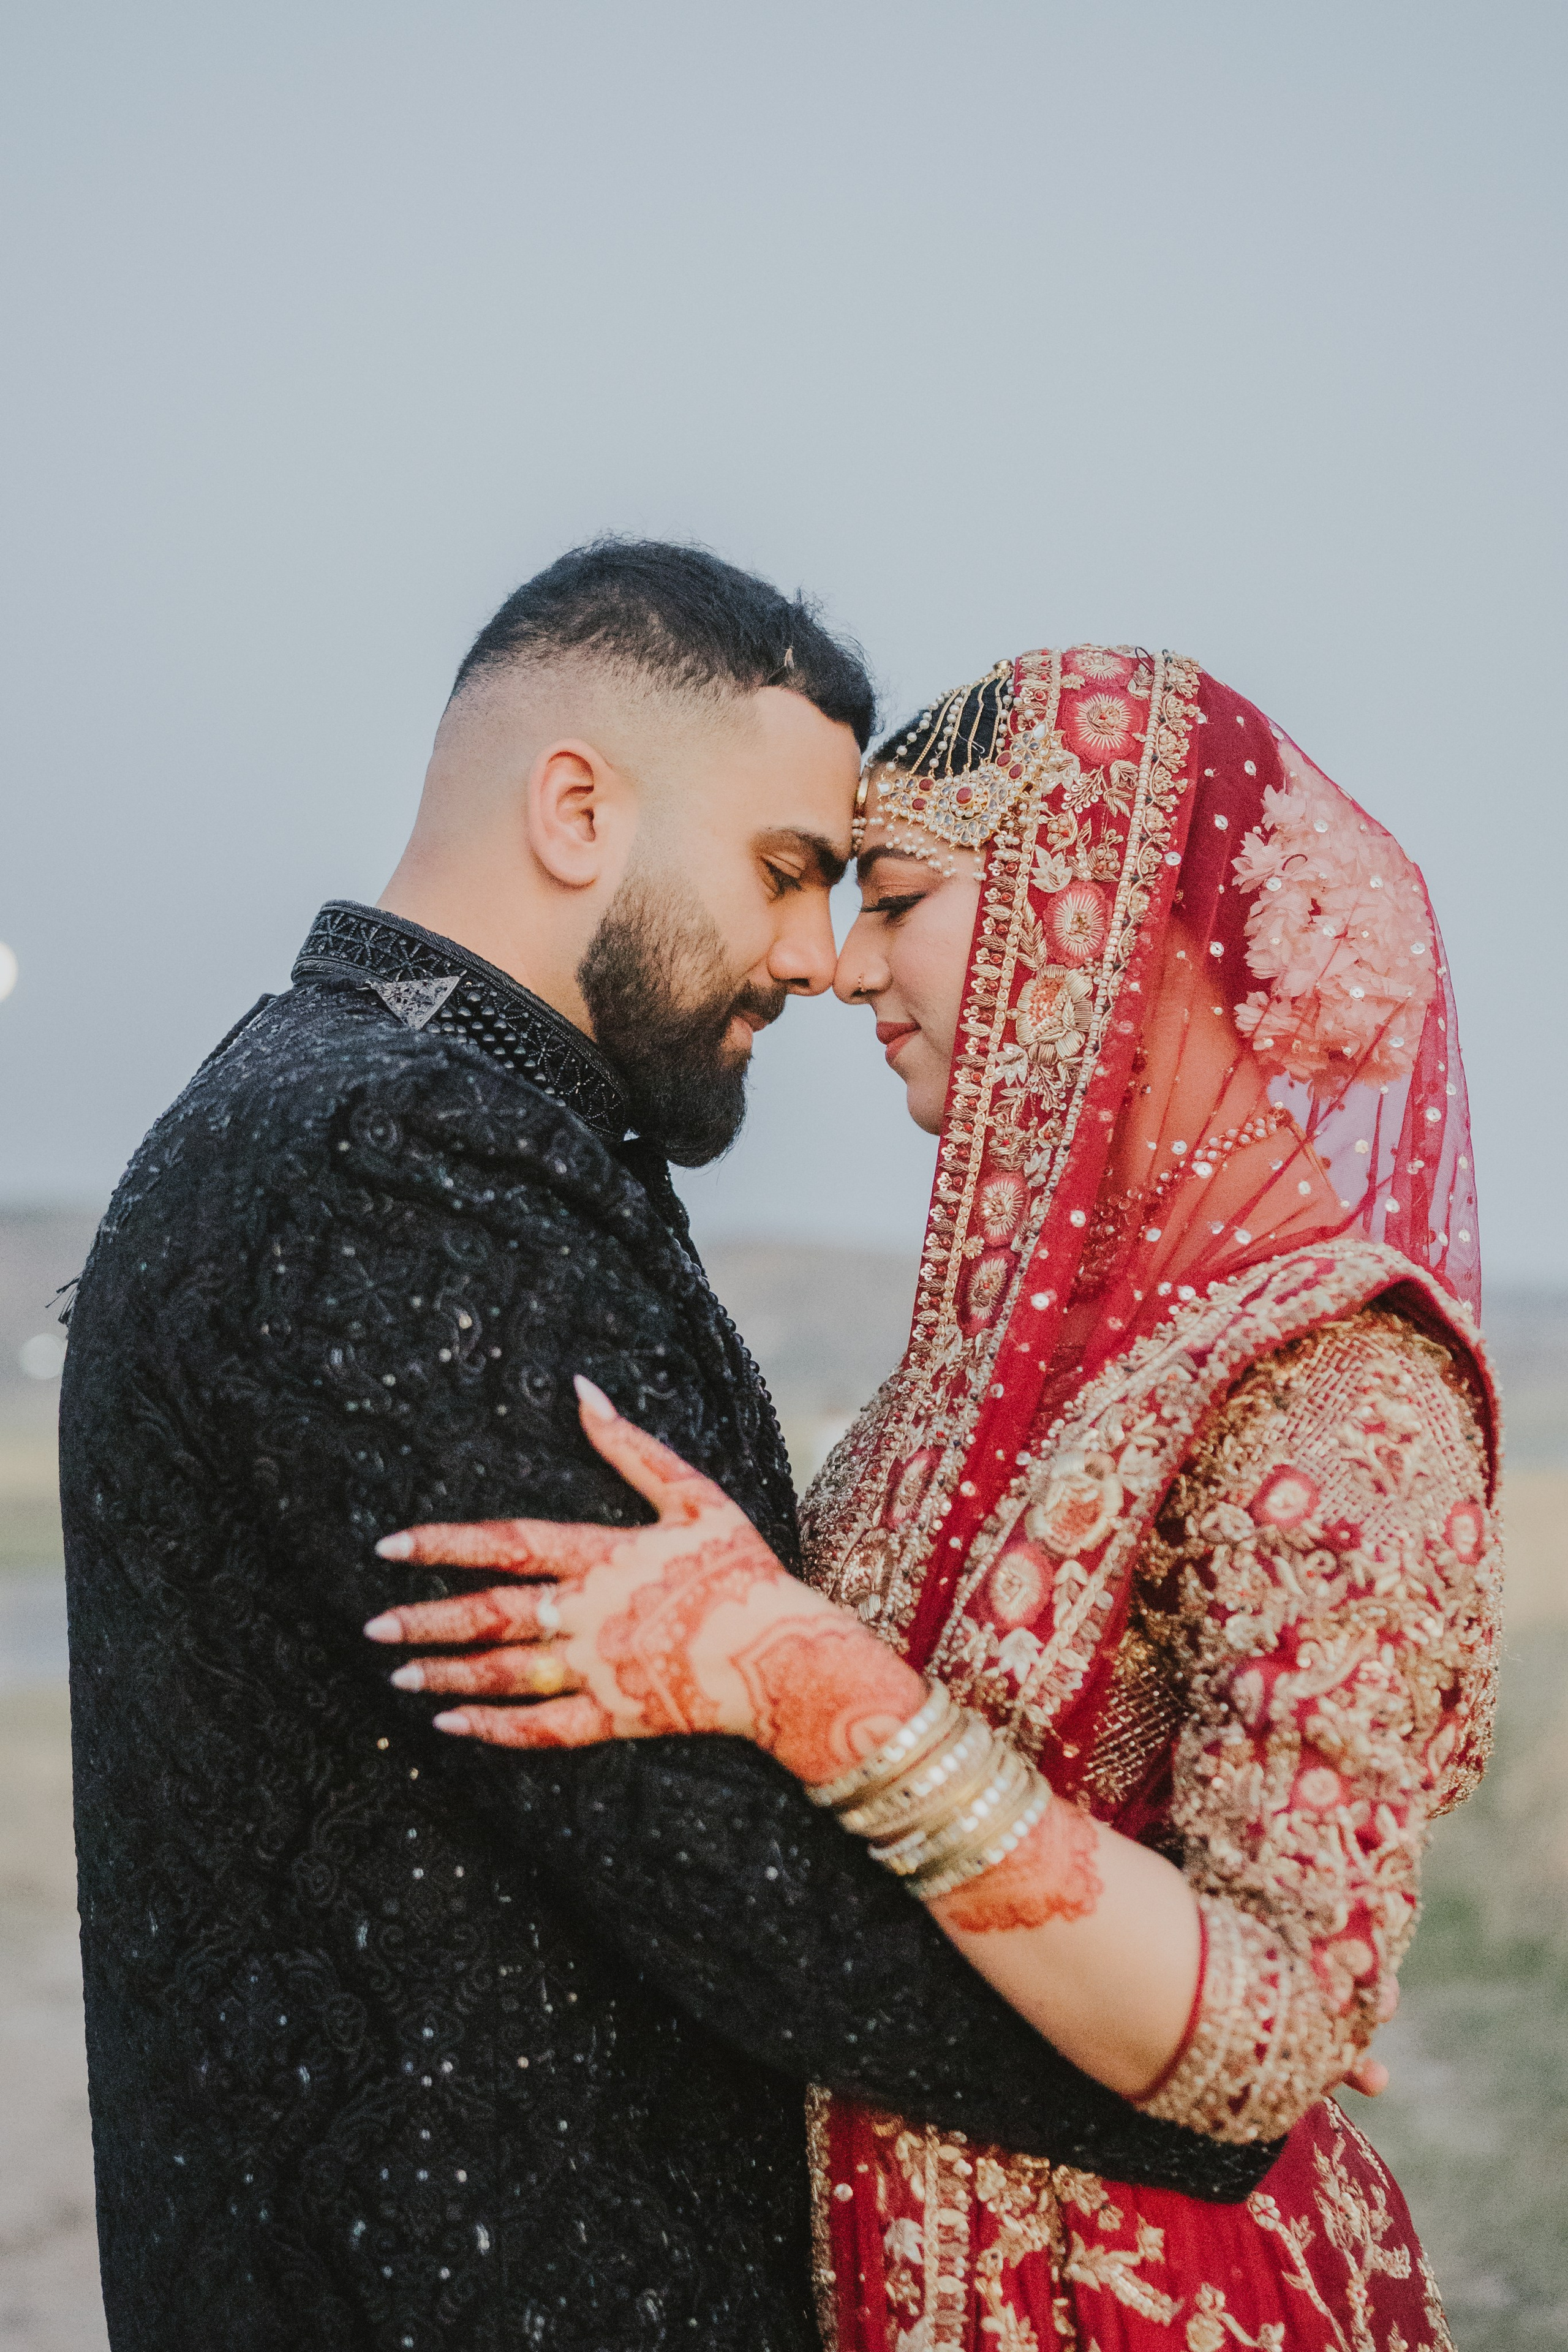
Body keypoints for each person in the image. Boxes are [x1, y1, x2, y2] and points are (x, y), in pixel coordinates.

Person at [58, 576, 1262, 2352]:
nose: (814, 953)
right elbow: (699, 1839)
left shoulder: (353, 1103)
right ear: (575, 809)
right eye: (785, 867)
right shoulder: (398, 1166)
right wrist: (1198, 2076)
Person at [369, 645, 1501, 2351]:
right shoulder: (978, 1369)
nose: (838, 964)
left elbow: (1272, 2035)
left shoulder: (1341, 1397)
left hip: (1150, 2299)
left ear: (1109, 915)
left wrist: (811, 1688)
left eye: (897, 896)